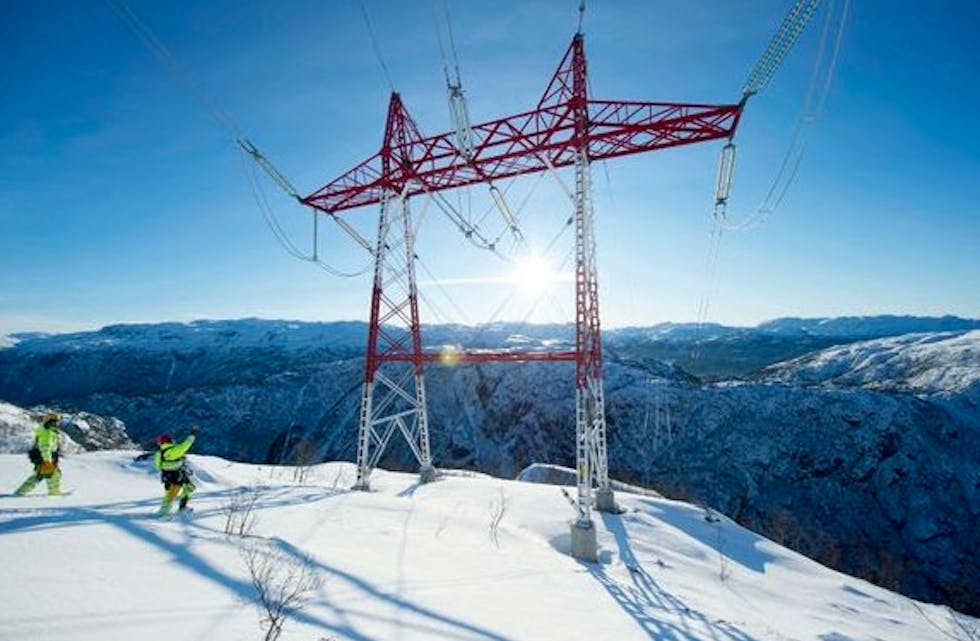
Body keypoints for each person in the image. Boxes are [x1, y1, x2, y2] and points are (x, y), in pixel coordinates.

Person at [14, 412, 63, 496]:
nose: (56, 424)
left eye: (57, 422)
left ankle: (20, 492)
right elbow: (45, 447)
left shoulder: (49, 431)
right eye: (54, 422)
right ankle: (55, 495)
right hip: (46, 458)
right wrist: (47, 461)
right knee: (51, 476)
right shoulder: (47, 432)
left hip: (46, 457)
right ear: (49, 422)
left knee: (41, 476)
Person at [154, 425, 199, 515]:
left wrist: (167, 468)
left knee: (169, 494)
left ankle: (164, 511)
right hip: (178, 475)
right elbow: (186, 445)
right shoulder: (175, 450)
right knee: (189, 488)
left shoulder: (160, 453)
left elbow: (157, 466)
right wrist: (192, 435)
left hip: (166, 476)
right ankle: (181, 508)